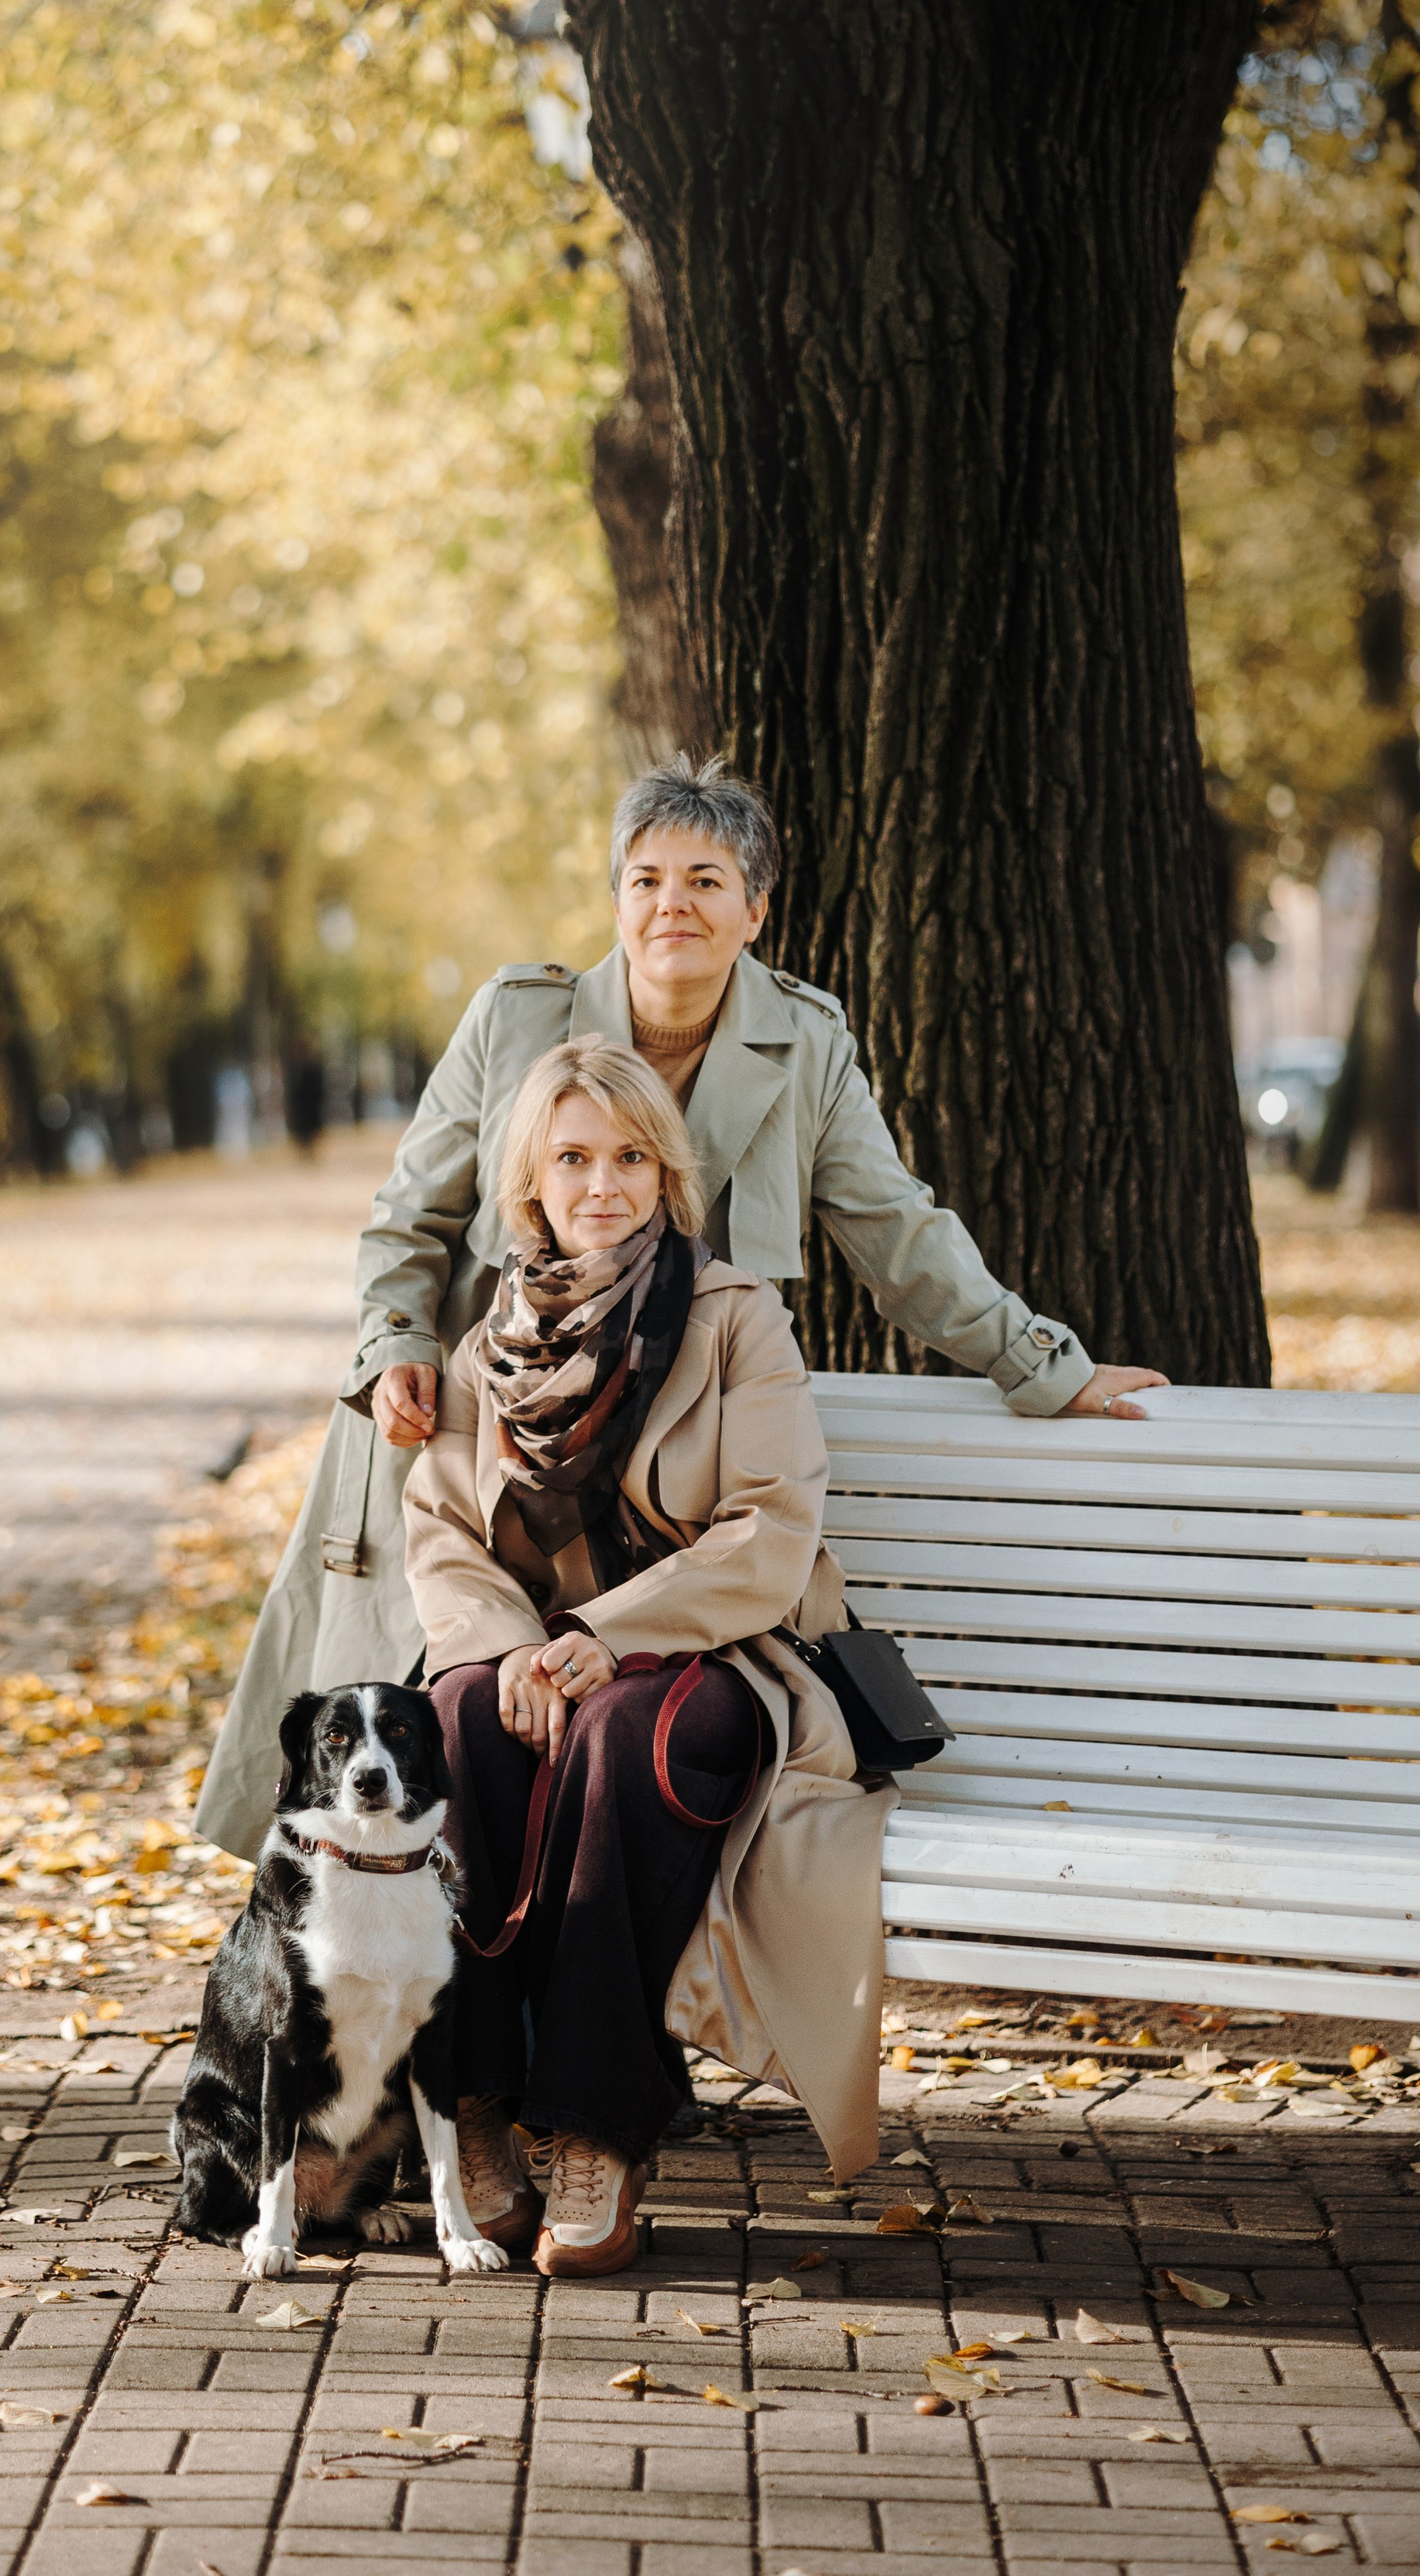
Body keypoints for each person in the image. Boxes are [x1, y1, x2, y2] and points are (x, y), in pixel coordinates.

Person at [196, 752, 1165, 1860]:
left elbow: (898, 1230)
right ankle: (362, 1987)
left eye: (707, 880)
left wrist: (1046, 1364)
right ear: (616, 898)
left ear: (756, 907)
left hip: (664, 1489)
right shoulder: (516, 1020)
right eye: (648, 878)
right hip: (482, 1438)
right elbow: (406, 1217)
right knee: (396, 1753)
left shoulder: (804, 1042)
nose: (674, 905)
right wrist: (399, 1342)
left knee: (591, 1733)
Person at [404, 1038, 889, 2274]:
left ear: (666, 1174)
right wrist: (519, 1648)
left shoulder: (735, 1321)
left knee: (627, 1734)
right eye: (573, 1158)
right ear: (532, 1186)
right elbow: (447, 1535)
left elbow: (769, 1533)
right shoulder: (486, 1349)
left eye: (628, 1156)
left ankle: (595, 2128)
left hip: (716, 1662)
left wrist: (597, 1639)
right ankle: (476, 2107)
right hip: (543, 1659)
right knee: (456, 1717)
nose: (602, 1183)